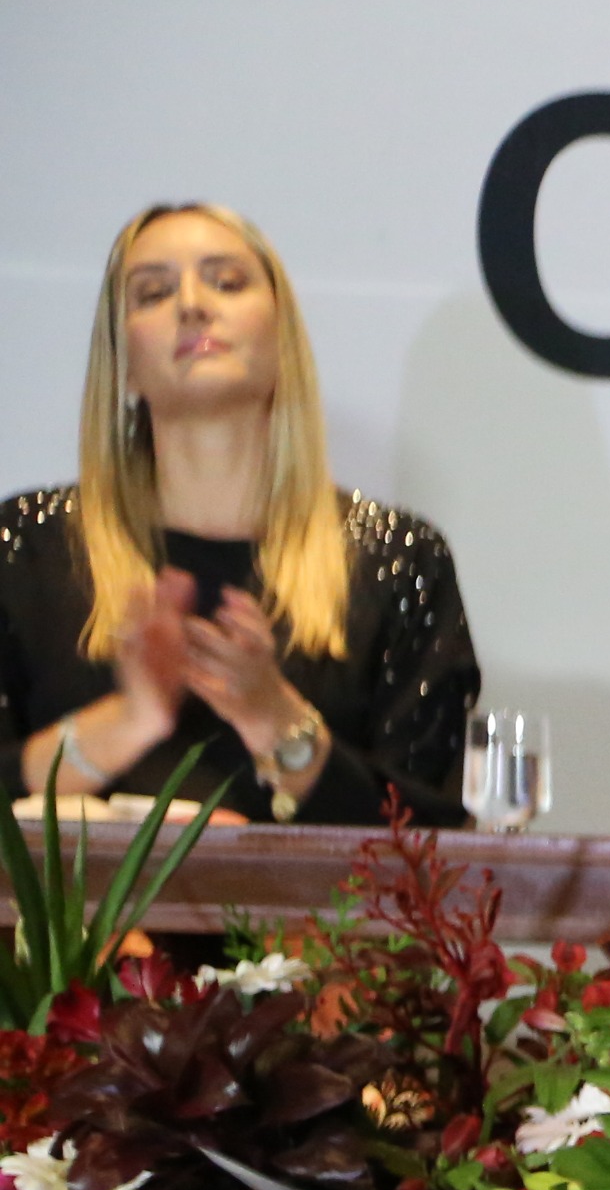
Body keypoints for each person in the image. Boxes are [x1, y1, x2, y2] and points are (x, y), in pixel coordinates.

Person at [0, 202, 475, 825]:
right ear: (123, 363)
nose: (192, 305)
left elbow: (437, 849)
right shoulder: (28, 547)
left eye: (226, 282)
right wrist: (129, 720)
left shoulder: (396, 559)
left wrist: (274, 719)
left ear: (283, 339)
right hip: (82, 928)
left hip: (306, 928)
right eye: (153, 293)